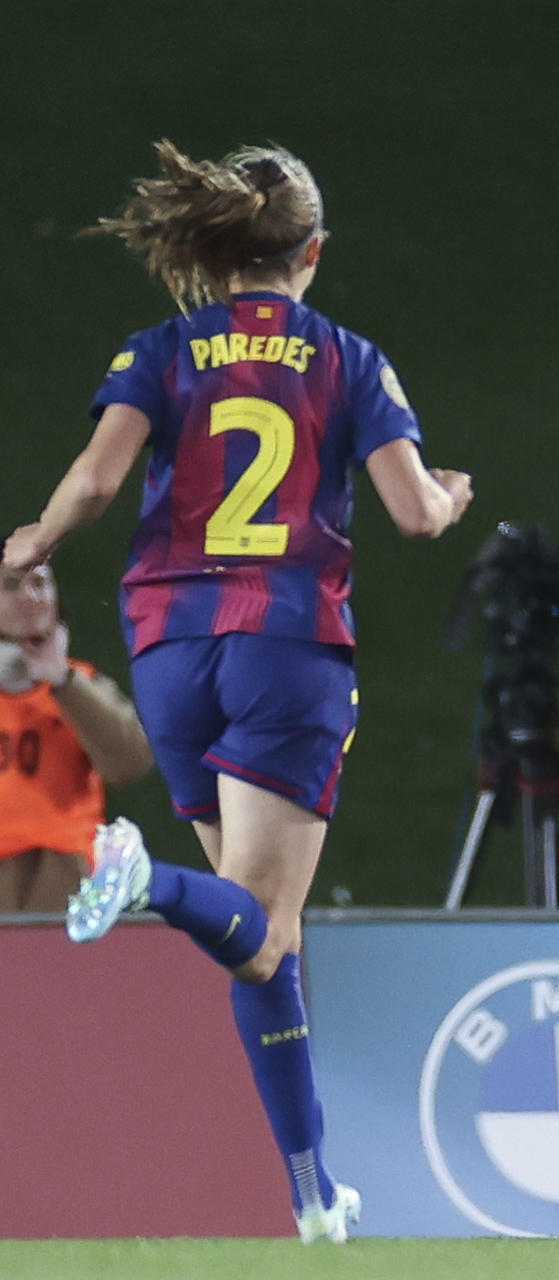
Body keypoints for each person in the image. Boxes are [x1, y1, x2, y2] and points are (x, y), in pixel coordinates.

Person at [2, 140, 472, 1244]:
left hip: (168, 644)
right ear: (311, 251)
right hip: (288, 642)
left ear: (216, 255)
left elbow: (102, 477)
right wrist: (449, 499)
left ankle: (313, 1191)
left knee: (262, 939)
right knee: (259, 918)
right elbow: (408, 513)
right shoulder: (348, 356)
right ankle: (144, 880)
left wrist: (37, 534)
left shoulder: (160, 349)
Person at [0, 563, 153, 911]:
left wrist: (62, 680)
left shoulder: (79, 686)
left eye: (40, 583)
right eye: (11, 585)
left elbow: (130, 765)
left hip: (67, 887)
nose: (30, 596)